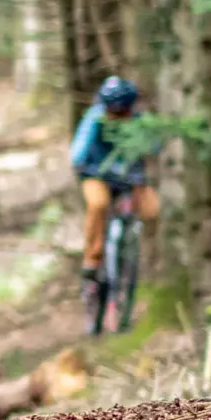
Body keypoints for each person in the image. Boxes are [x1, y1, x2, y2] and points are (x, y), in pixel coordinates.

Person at [71, 76, 161, 289]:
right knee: (98, 204)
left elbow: (154, 146)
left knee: (152, 209)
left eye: (123, 111)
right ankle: (92, 259)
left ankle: (138, 256)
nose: (118, 116)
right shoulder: (95, 118)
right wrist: (82, 163)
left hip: (131, 178)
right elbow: (78, 151)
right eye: (113, 111)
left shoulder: (139, 120)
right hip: (96, 175)